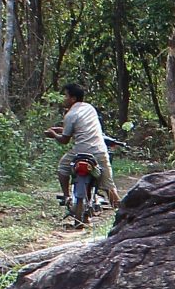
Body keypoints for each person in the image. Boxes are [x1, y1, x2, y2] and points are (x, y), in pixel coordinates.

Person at [45, 80, 119, 216]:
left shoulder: (70, 115)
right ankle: (121, 214)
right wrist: (61, 130)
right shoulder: (89, 108)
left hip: (80, 151)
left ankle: (67, 196)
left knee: (62, 168)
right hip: (99, 150)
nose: (64, 98)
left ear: (73, 98)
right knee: (109, 186)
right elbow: (81, 129)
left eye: (66, 95)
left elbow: (64, 140)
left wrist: (53, 134)